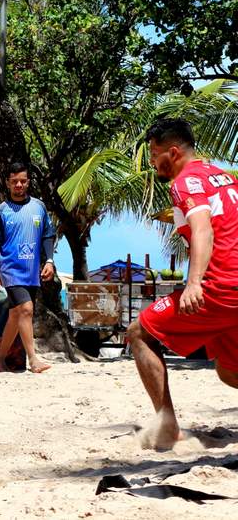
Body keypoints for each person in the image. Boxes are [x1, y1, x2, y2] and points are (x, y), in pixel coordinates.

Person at [126, 118, 238, 450]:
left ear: (173, 152)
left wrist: (194, 283)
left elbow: (203, 229)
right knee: (230, 371)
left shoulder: (185, 182)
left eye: (154, 153)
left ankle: (167, 427)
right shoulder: (224, 178)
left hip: (220, 287)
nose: (151, 162)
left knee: (138, 332)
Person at [0, 162, 56, 373]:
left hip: (31, 270)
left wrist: (50, 261)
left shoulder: (39, 207)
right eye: (14, 181)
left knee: (17, 315)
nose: (19, 185)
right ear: (7, 183)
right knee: (26, 309)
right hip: (10, 268)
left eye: (22, 181)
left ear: (28, 182)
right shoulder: (1, 212)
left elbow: (47, 235)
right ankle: (34, 359)